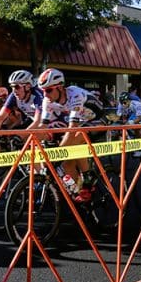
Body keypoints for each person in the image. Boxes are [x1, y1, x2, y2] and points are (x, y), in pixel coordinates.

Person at [33, 68, 106, 201]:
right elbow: (42, 127)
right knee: (67, 164)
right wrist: (30, 142)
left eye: (48, 90)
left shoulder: (75, 94)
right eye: (43, 91)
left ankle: (87, 175)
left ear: (60, 87)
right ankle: (78, 191)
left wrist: (57, 153)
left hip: (97, 120)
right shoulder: (47, 101)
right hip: (82, 122)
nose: (45, 95)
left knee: (76, 137)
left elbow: (72, 129)